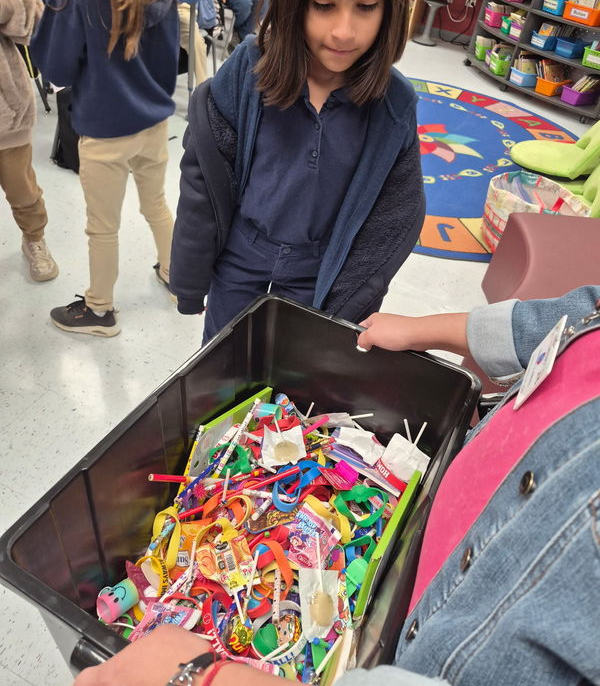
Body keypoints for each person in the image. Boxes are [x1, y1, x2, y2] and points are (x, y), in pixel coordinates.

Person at [73, 286, 600, 686]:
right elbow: (578, 316)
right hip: (426, 540)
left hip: (425, 641)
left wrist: (205, 676)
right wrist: (422, 330)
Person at [170, 0, 424, 344]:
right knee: (221, 369)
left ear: (391, 5)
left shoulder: (394, 108)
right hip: (240, 260)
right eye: (323, 5)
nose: (344, 31)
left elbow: (392, 223)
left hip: (319, 277)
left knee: (294, 391)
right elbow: (202, 181)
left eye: (366, 6)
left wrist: (348, 306)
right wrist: (189, 280)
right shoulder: (247, 72)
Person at [30, 0, 179, 338]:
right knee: (156, 204)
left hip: (103, 129)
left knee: (102, 227)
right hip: (154, 120)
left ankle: (99, 311)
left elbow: (55, 66)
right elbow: (171, 59)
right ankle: (177, 276)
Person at [0, 0, 58, 283]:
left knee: (22, 188)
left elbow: (34, 14)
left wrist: (6, 3)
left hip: (6, 109)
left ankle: (34, 240)